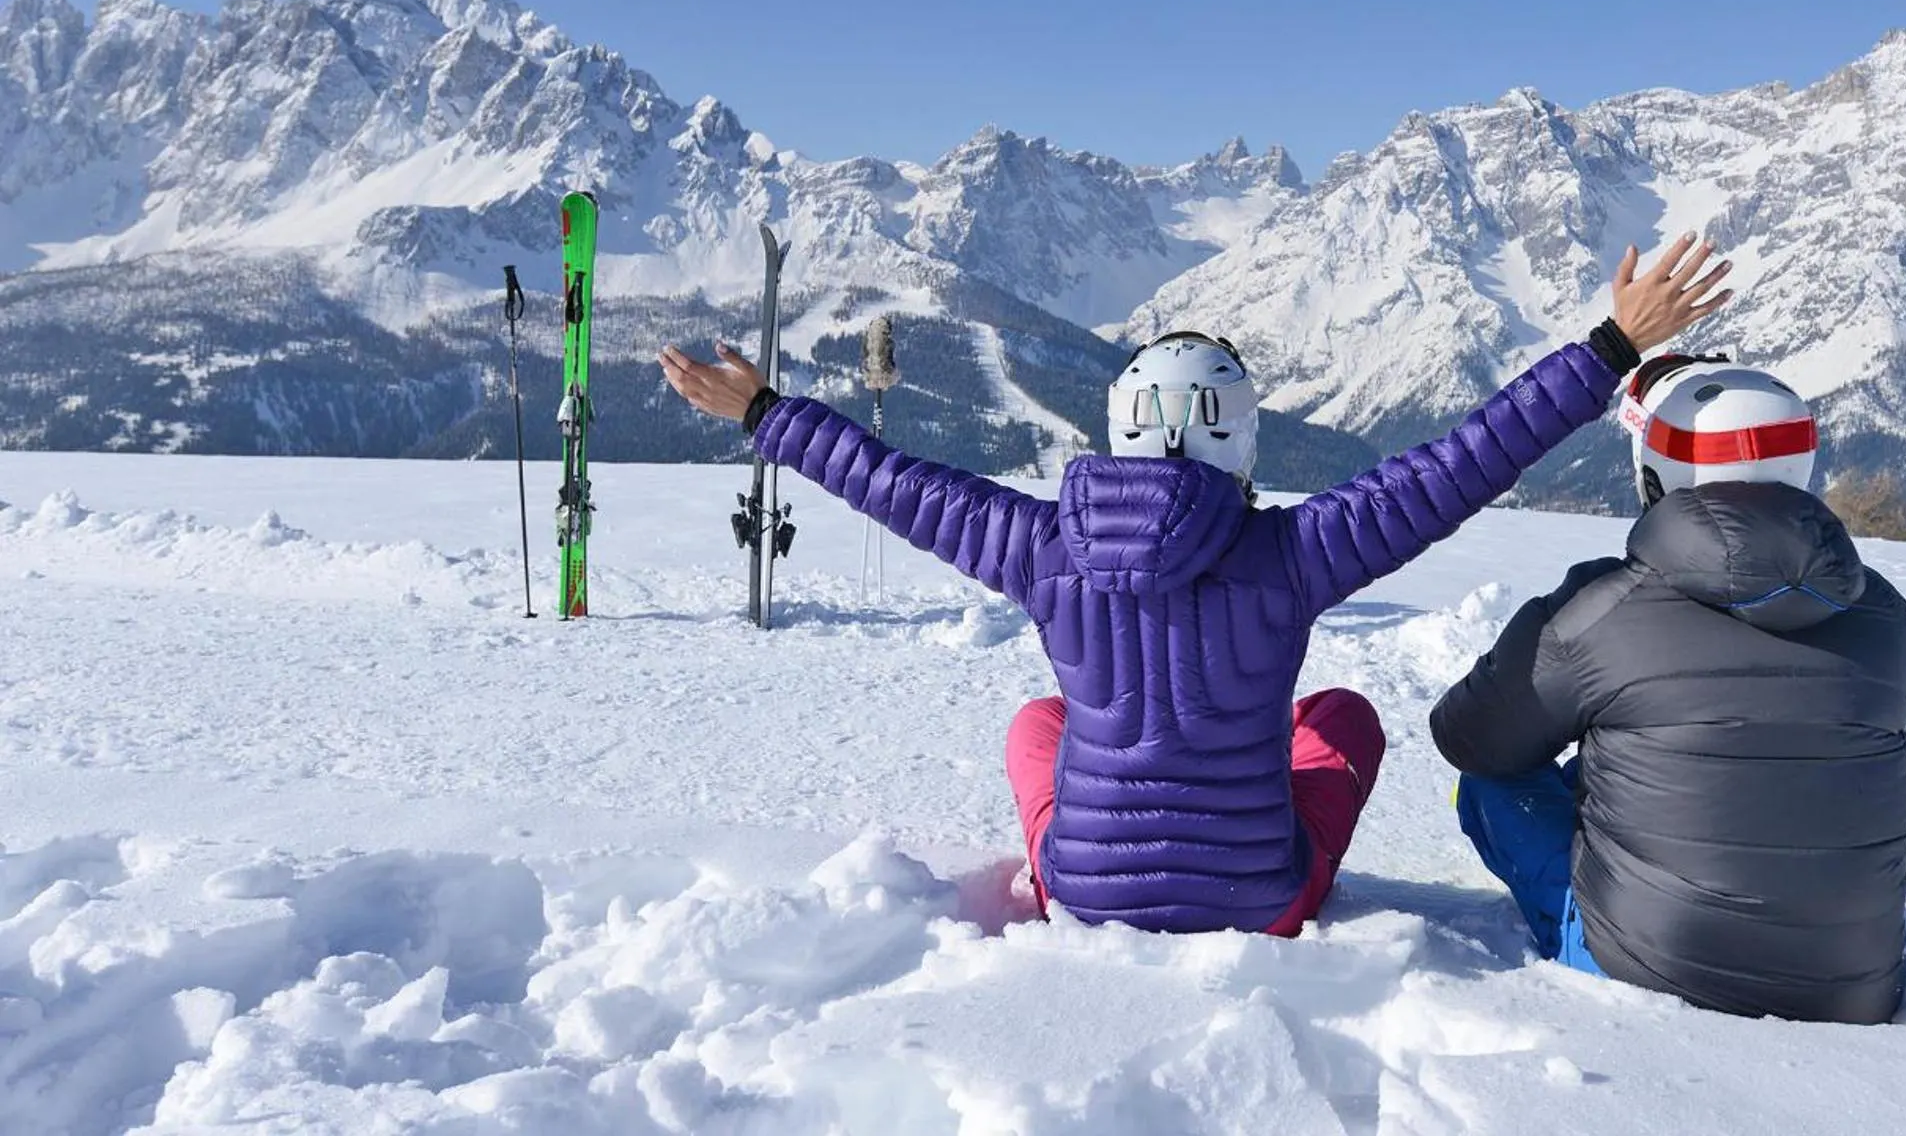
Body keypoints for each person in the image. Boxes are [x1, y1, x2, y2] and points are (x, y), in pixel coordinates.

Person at [660, 236, 1731, 937]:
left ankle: (1079, 848)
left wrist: (764, 414)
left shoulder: (1040, 546)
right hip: (1262, 899)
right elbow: (1463, 461)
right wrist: (1608, 347)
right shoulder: (1300, 550)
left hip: (1084, 891)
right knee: (1342, 718)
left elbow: (898, 485)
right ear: (1243, 440)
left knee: (1042, 721)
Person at [1428, 353, 1906, 1023]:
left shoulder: (1607, 608)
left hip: (1645, 972)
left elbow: (1470, 734)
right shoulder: (1892, 620)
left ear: (1655, 474)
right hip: (1857, 988)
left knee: (1491, 783)